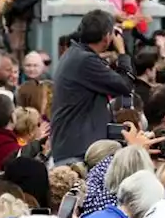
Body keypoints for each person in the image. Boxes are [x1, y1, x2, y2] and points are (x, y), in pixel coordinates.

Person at [50, 10, 134, 165]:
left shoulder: (76, 53)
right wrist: (122, 53)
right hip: (77, 153)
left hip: (73, 148)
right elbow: (125, 85)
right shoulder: (85, 60)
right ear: (107, 37)